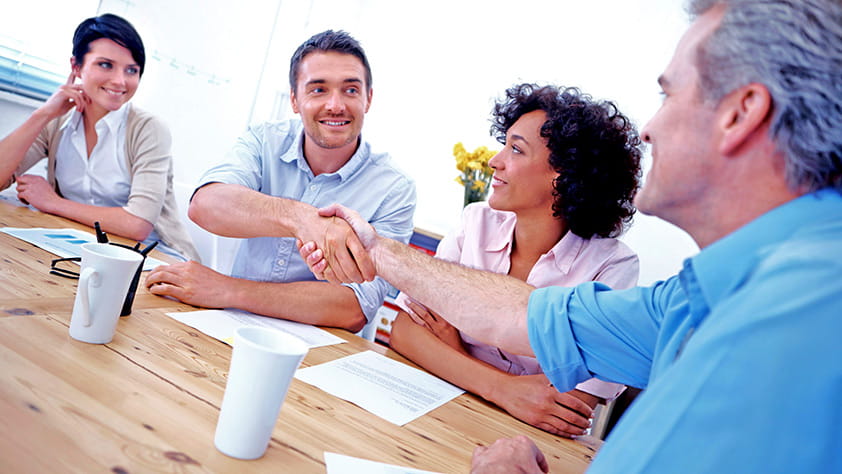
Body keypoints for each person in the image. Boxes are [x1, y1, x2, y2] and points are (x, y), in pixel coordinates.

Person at [299, 0, 842, 471]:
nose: (650, 128)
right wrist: (377, 249)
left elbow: (558, 401)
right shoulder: (689, 297)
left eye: (669, 94)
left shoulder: (803, 318)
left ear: (741, 113)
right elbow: (524, 317)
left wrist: (456, 347)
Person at [389, 83, 642, 438]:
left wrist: (453, 348)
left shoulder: (612, 267)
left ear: (563, 176)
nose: (495, 160)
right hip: (437, 414)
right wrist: (505, 389)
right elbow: (405, 331)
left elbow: (571, 407)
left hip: (530, 445)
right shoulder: (475, 222)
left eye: (516, 150)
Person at [145, 30, 416, 334]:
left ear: (368, 98)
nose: (336, 105)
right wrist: (301, 219)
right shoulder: (265, 141)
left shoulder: (395, 189)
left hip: (321, 346)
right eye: (318, 90)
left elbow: (354, 309)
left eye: (350, 90)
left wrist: (228, 290)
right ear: (294, 100)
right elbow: (205, 205)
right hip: (230, 327)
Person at [0, 14, 199, 261]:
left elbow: (137, 225)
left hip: (153, 257)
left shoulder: (149, 129)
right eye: (106, 64)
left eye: (131, 70)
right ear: (76, 67)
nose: (120, 81)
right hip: (80, 245)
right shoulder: (57, 121)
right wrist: (42, 114)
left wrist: (52, 202)